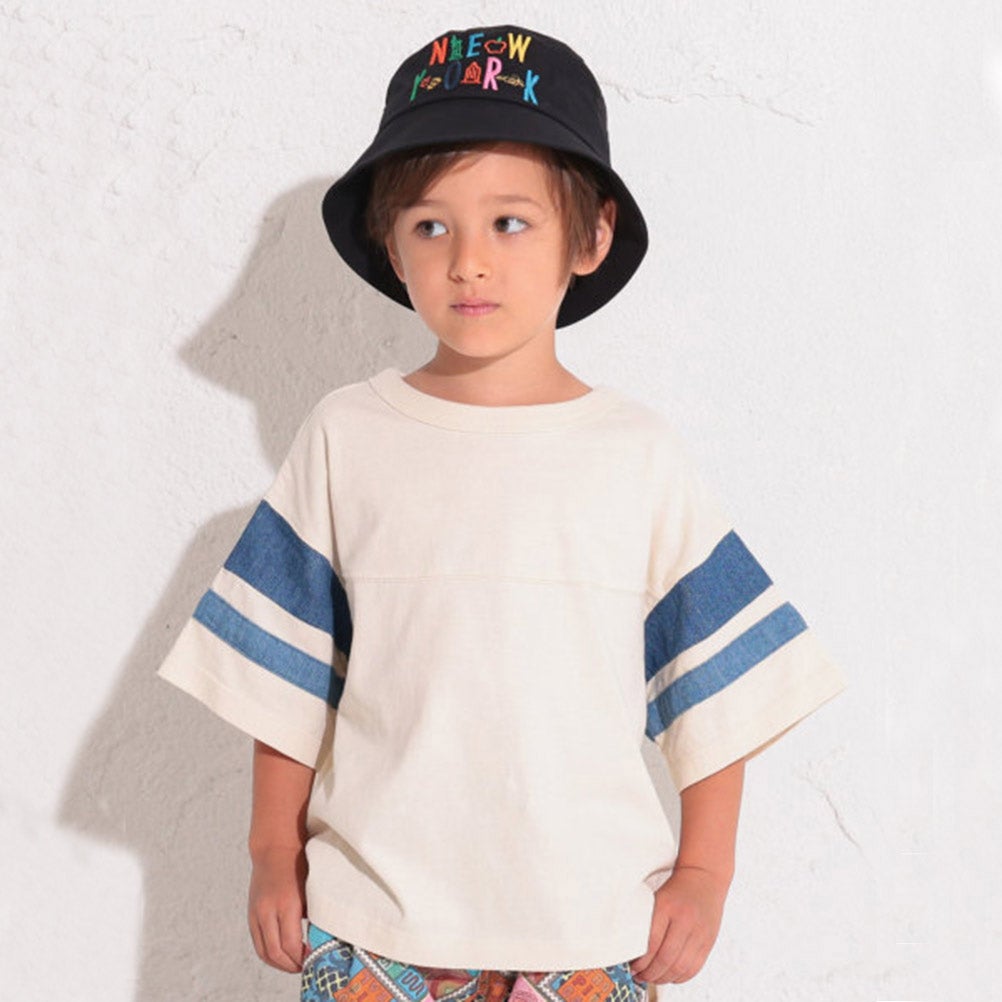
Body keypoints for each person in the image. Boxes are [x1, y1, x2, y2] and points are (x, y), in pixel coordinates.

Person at [158, 23, 845, 1002]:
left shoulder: (638, 455)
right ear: (389, 244)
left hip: (589, 929)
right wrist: (272, 850)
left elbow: (718, 687)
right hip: (373, 922)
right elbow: (286, 678)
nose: (468, 262)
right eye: (431, 226)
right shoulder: (346, 437)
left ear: (590, 236)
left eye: (510, 223)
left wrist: (705, 870)